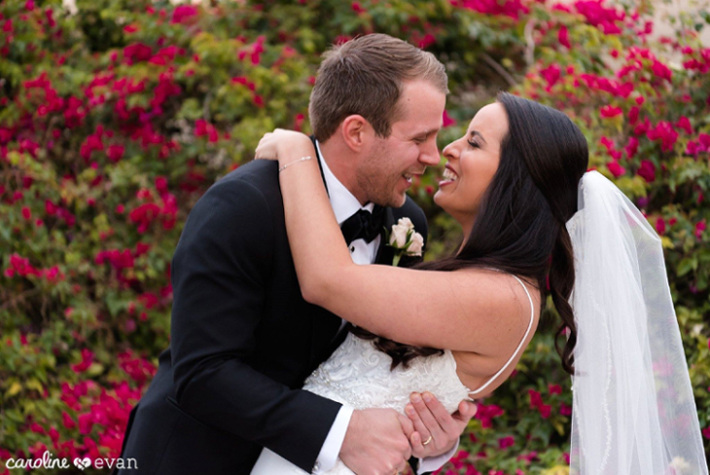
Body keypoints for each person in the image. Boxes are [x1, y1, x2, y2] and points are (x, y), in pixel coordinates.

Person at [253, 92, 709, 474]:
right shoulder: (482, 279)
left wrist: (299, 150)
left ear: (515, 178)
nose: (448, 149)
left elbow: (328, 281)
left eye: (473, 142)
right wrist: (434, 445)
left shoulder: (504, 298)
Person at [118, 34, 476, 475]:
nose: (432, 155)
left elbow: (377, 367)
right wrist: (342, 432)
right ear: (357, 132)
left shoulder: (405, 226)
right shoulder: (242, 207)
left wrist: (426, 436)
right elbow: (203, 374)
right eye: (419, 137)